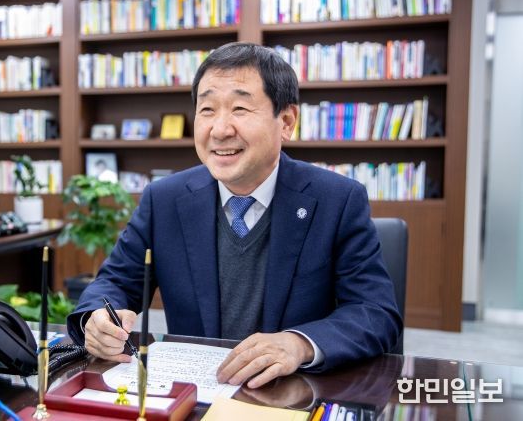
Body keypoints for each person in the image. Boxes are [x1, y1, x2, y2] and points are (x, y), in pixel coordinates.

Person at [68, 42, 402, 388]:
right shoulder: (164, 199)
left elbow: (375, 312)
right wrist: (96, 318)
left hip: (292, 393)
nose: (220, 129)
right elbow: (115, 282)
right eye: (207, 109)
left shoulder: (337, 200)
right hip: (196, 395)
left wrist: (299, 344)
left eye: (240, 108)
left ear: (286, 121)